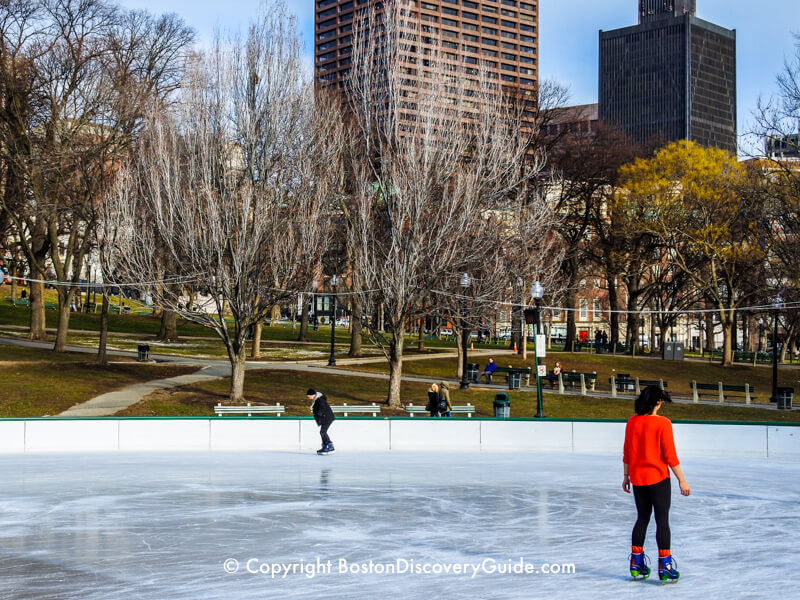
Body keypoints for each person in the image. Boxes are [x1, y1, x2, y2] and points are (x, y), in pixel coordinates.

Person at [623, 386, 690, 583]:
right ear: (658, 402)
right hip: (659, 479)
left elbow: (627, 452)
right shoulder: (663, 423)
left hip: (638, 479)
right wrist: (682, 480)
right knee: (662, 521)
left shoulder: (632, 422)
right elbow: (670, 456)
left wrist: (626, 476)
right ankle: (665, 566)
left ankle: (636, 563)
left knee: (642, 518)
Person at [307, 388, 335, 454]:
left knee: (323, 431)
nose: (308, 398)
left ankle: (330, 446)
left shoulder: (320, 400)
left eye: (309, 396)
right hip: (325, 418)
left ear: (313, 395)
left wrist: (319, 414)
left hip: (327, 418)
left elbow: (323, 408)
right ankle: (325, 446)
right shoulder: (317, 399)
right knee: (322, 432)